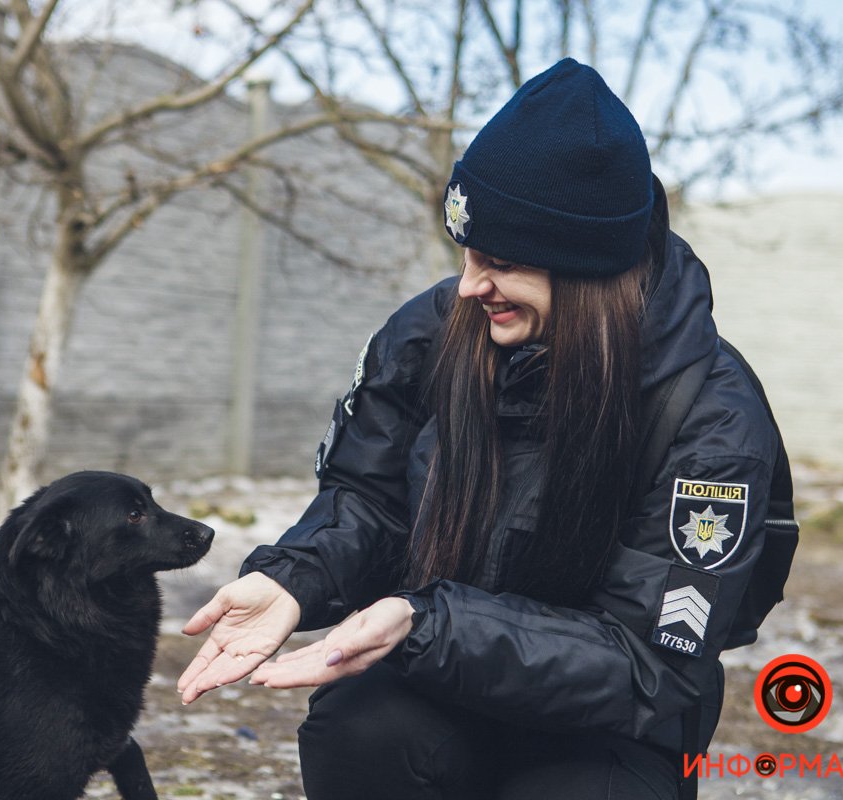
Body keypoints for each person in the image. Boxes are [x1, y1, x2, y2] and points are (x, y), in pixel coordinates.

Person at [177, 57, 779, 800]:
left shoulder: (712, 414)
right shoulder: (434, 332)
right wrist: (296, 578)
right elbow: (368, 498)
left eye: (499, 263)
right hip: (442, 684)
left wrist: (429, 624)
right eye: (465, 253)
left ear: (585, 269)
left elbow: (646, 664)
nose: (468, 285)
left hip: (610, 727)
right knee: (357, 726)